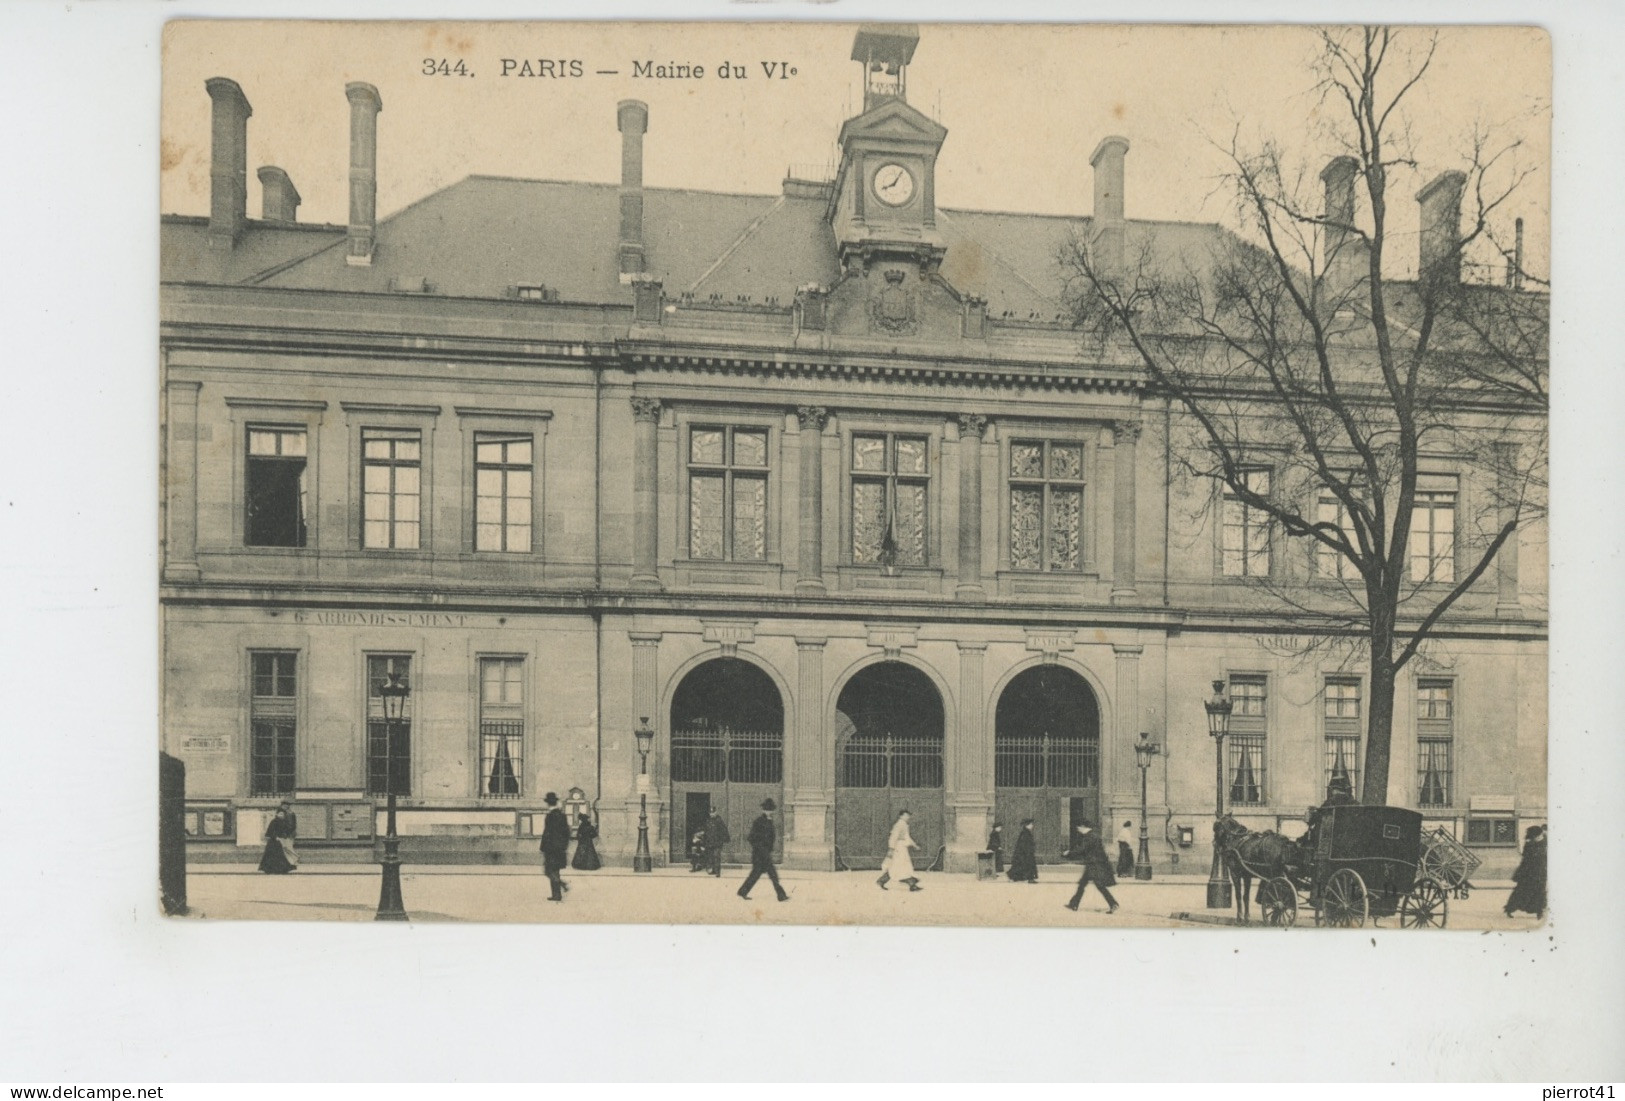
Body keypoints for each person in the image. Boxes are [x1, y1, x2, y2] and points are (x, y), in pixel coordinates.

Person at [738, 799, 789, 901]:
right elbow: (751, 838)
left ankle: (742, 891)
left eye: (771, 810)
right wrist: (761, 849)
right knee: (772, 875)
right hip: (759, 854)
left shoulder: (770, 822)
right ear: (763, 810)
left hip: (764, 854)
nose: (769, 812)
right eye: (767, 810)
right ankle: (781, 896)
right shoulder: (759, 821)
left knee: (757, 875)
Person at [1064, 820, 1119, 914]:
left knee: (1099, 885)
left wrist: (1069, 853)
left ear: (1082, 826)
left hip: (1094, 865)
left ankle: (1113, 903)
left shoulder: (1090, 836)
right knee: (1083, 884)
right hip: (1093, 864)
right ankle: (1074, 904)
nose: (1078, 830)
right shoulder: (1092, 835)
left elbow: (1082, 849)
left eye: (1078, 828)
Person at [1504, 825, 1547, 919]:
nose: (1538, 838)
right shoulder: (1529, 844)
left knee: (1539, 892)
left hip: (1540, 872)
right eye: (1536, 836)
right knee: (1521, 891)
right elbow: (1525, 857)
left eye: (1538, 836)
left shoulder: (1545, 842)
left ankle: (1539, 911)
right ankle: (1509, 909)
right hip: (1528, 872)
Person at [877, 808, 922, 891]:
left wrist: (914, 845)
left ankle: (882, 881)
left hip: (902, 847)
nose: (908, 817)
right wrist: (891, 849)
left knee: (901, 866)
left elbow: (907, 837)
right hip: (898, 848)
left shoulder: (904, 824)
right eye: (906, 815)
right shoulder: (899, 825)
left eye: (908, 815)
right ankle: (911, 884)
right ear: (901, 816)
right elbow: (893, 837)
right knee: (900, 866)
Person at [539, 792, 571, 902]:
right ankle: (557, 893)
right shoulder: (562, 815)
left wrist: (543, 847)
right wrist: (563, 846)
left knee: (549, 871)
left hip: (551, 849)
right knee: (554, 871)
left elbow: (547, 833)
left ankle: (561, 888)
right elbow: (567, 832)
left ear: (548, 803)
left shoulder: (551, 815)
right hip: (559, 849)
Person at [258, 803, 298, 874]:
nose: (281, 815)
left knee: (282, 856)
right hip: (273, 842)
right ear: (277, 814)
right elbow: (269, 832)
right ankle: (270, 869)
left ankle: (282, 869)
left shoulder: (284, 822)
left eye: (282, 814)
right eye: (280, 814)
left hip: (281, 841)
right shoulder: (273, 821)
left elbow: (288, 829)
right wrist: (275, 837)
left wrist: (285, 835)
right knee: (272, 856)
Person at [1007, 818, 1039, 883]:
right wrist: (1028, 851)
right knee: (1023, 865)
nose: (1032, 826)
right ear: (1027, 825)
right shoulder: (1025, 833)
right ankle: (1029, 878)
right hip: (1024, 854)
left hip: (1025, 853)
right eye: (1031, 824)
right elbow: (1023, 844)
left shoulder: (1026, 832)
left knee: (1023, 866)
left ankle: (1029, 878)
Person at [703, 809, 731, 876]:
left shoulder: (719, 820)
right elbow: (706, 831)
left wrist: (723, 840)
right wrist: (705, 840)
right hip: (710, 842)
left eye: (713, 813)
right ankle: (713, 870)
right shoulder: (708, 821)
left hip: (717, 843)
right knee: (711, 857)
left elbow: (724, 830)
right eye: (710, 813)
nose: (711, 814)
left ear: (716, 812)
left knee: (716, 856)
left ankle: (718, 872)